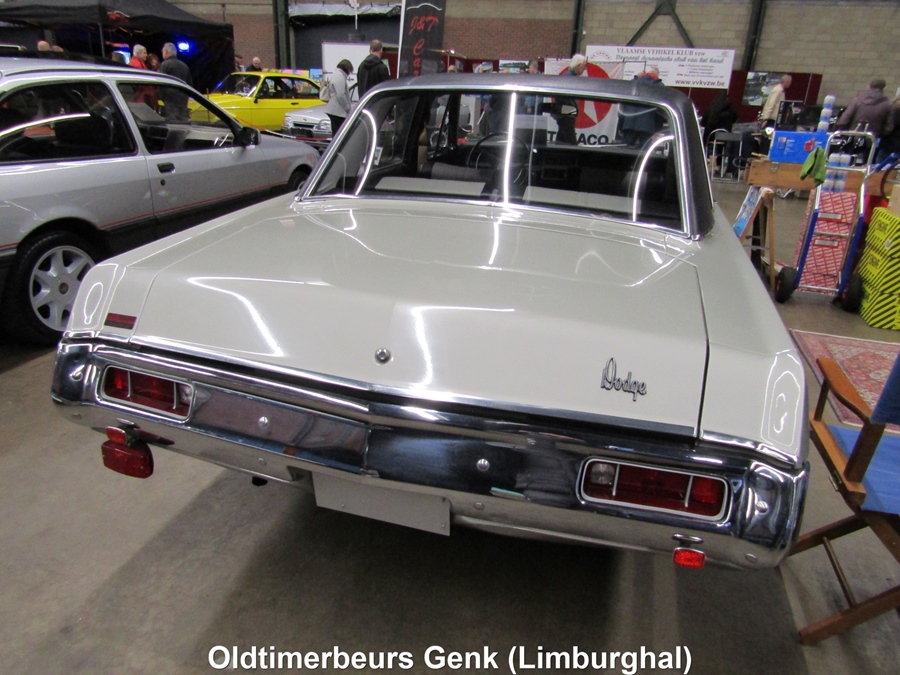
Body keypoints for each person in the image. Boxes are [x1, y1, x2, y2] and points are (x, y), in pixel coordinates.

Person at [619, 65, 666, 147]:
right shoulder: (659, 86)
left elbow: (623, 107)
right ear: (657, 75)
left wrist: (621, 126)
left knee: (623, 151)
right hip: (648, 127)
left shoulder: (632, 83)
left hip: (628, 124)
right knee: (644, 152)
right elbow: (660, 110)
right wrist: (657, 129)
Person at [554, 53, 587, 144]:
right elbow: (562, 96)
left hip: (564, 112)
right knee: (570, 140)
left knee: (561, 139)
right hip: (566, 112)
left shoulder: (568, 76)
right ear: (578, 66)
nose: (584, 69)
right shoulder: (570, 78)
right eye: (583, 67)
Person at [159, 42, 192, 121]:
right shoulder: (184, 65)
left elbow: (161, 83)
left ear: (166, 52)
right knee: (183, 122)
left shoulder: (165, 64)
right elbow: (189, 84)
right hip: (183, 99)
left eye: (163, 51)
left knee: (172, 123)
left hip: (170, 100)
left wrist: (161, 97)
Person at [323, 59, 354, 135]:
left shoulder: (336, 74)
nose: (349, 74)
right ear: (347, 68)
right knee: (339, 133)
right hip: (338, 112)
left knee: (336, 133)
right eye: (350, 71)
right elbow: (341, 94)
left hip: (335, 110)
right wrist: (347, 108)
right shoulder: (340, 76)